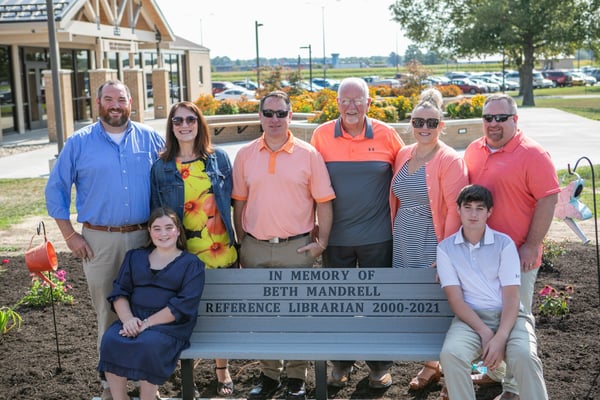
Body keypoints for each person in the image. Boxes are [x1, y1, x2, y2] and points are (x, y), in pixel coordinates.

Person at [45, 80, 165, 400]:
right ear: (97, 103)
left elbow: (170, 181)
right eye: (108, 99)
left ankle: (147, 386)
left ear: (131, 102)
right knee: (109, 313)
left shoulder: (151, 138)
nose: (115, 104)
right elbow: (56, 190)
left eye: (121, 99)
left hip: (144, 238)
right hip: (100, 240)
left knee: (148, 310)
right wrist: (69, 235)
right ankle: (112, 388)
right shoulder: (79, 142)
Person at [232, 90, 335, 400]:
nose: (274, 119)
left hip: (297, 247)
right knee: (261, 315)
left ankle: (295, 378)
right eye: (268, 113)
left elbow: (324, 203)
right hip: (256, 247)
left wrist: (322, 243)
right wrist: (241, 243)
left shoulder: (309, 154)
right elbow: (238, 203)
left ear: (291, 116)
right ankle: (269, 375)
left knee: (298, 315)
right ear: (260, 116)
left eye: (280, 113)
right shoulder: (246, 155)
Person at [464, 94, 559, 400]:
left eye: (501, 118)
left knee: (516, 321)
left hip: (518, 257)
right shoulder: (473, 151)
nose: (493, 124)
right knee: (489, 315)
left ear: (515, 120)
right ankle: (493, 373)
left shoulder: (533, 154)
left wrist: (532, 245)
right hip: (480, 256)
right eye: (488, 117)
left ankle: (514, 389)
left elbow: (549, 199)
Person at [310, 77, 404, 389]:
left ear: (368, 103)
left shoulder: (387, 134)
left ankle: (379, 367)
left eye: (358, 100)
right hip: (334, 238)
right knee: (338, 306)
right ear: (336, 104)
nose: (351, 106)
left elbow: (407, 175)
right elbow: (311, 183)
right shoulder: (321, 136)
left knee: (378, 306)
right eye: (345, 100)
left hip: (379, 238)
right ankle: (341, 364)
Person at [150, 101, 237, 397]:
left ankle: (221, 370)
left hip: (219, 247)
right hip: (181, 255)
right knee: (181, 314)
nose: (184, 125)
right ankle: (184, 375)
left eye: (190, 119)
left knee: (219, 313)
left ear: (200, 124)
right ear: (171, 126)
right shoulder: (161, 166)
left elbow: (233, 203)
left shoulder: (218, 159)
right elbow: (156, 212)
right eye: (177, 121)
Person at [388, 88, 469, 391]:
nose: (424, 128)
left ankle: (452, 375)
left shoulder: (450, 160)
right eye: (418, 122)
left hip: (434, 241)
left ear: (441, 126)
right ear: (410, 123)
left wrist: (446, 253)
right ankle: (430, 366)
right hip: (404, 241)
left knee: (441, 306)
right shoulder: (403, 154)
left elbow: (456, 210)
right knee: (418, 305)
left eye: (431, 123)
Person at [437, 184, 548, 400]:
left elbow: (512, 297)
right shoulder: (445, 249)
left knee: (525, 356)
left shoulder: (504, 244)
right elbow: (456, 300)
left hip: (511, 317)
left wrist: (500, 337)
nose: (473, 214)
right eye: (467, 207)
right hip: (471, 320)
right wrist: (486, 333)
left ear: (490, 212)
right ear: (458, 210)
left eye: (480, 208)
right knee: (451, 354)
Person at [97, 206, 205, 400]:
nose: (163, 233)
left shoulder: (191, 264)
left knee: (148, 343)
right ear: (149, 231)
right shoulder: (135, 257)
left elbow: (183, 304)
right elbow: (120, 292)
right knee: (111, 340)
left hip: (170, 323)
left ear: (178, 230)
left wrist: (146, 324)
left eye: (169, 227)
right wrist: (129, 320)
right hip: (134, 318)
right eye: (157, 228)